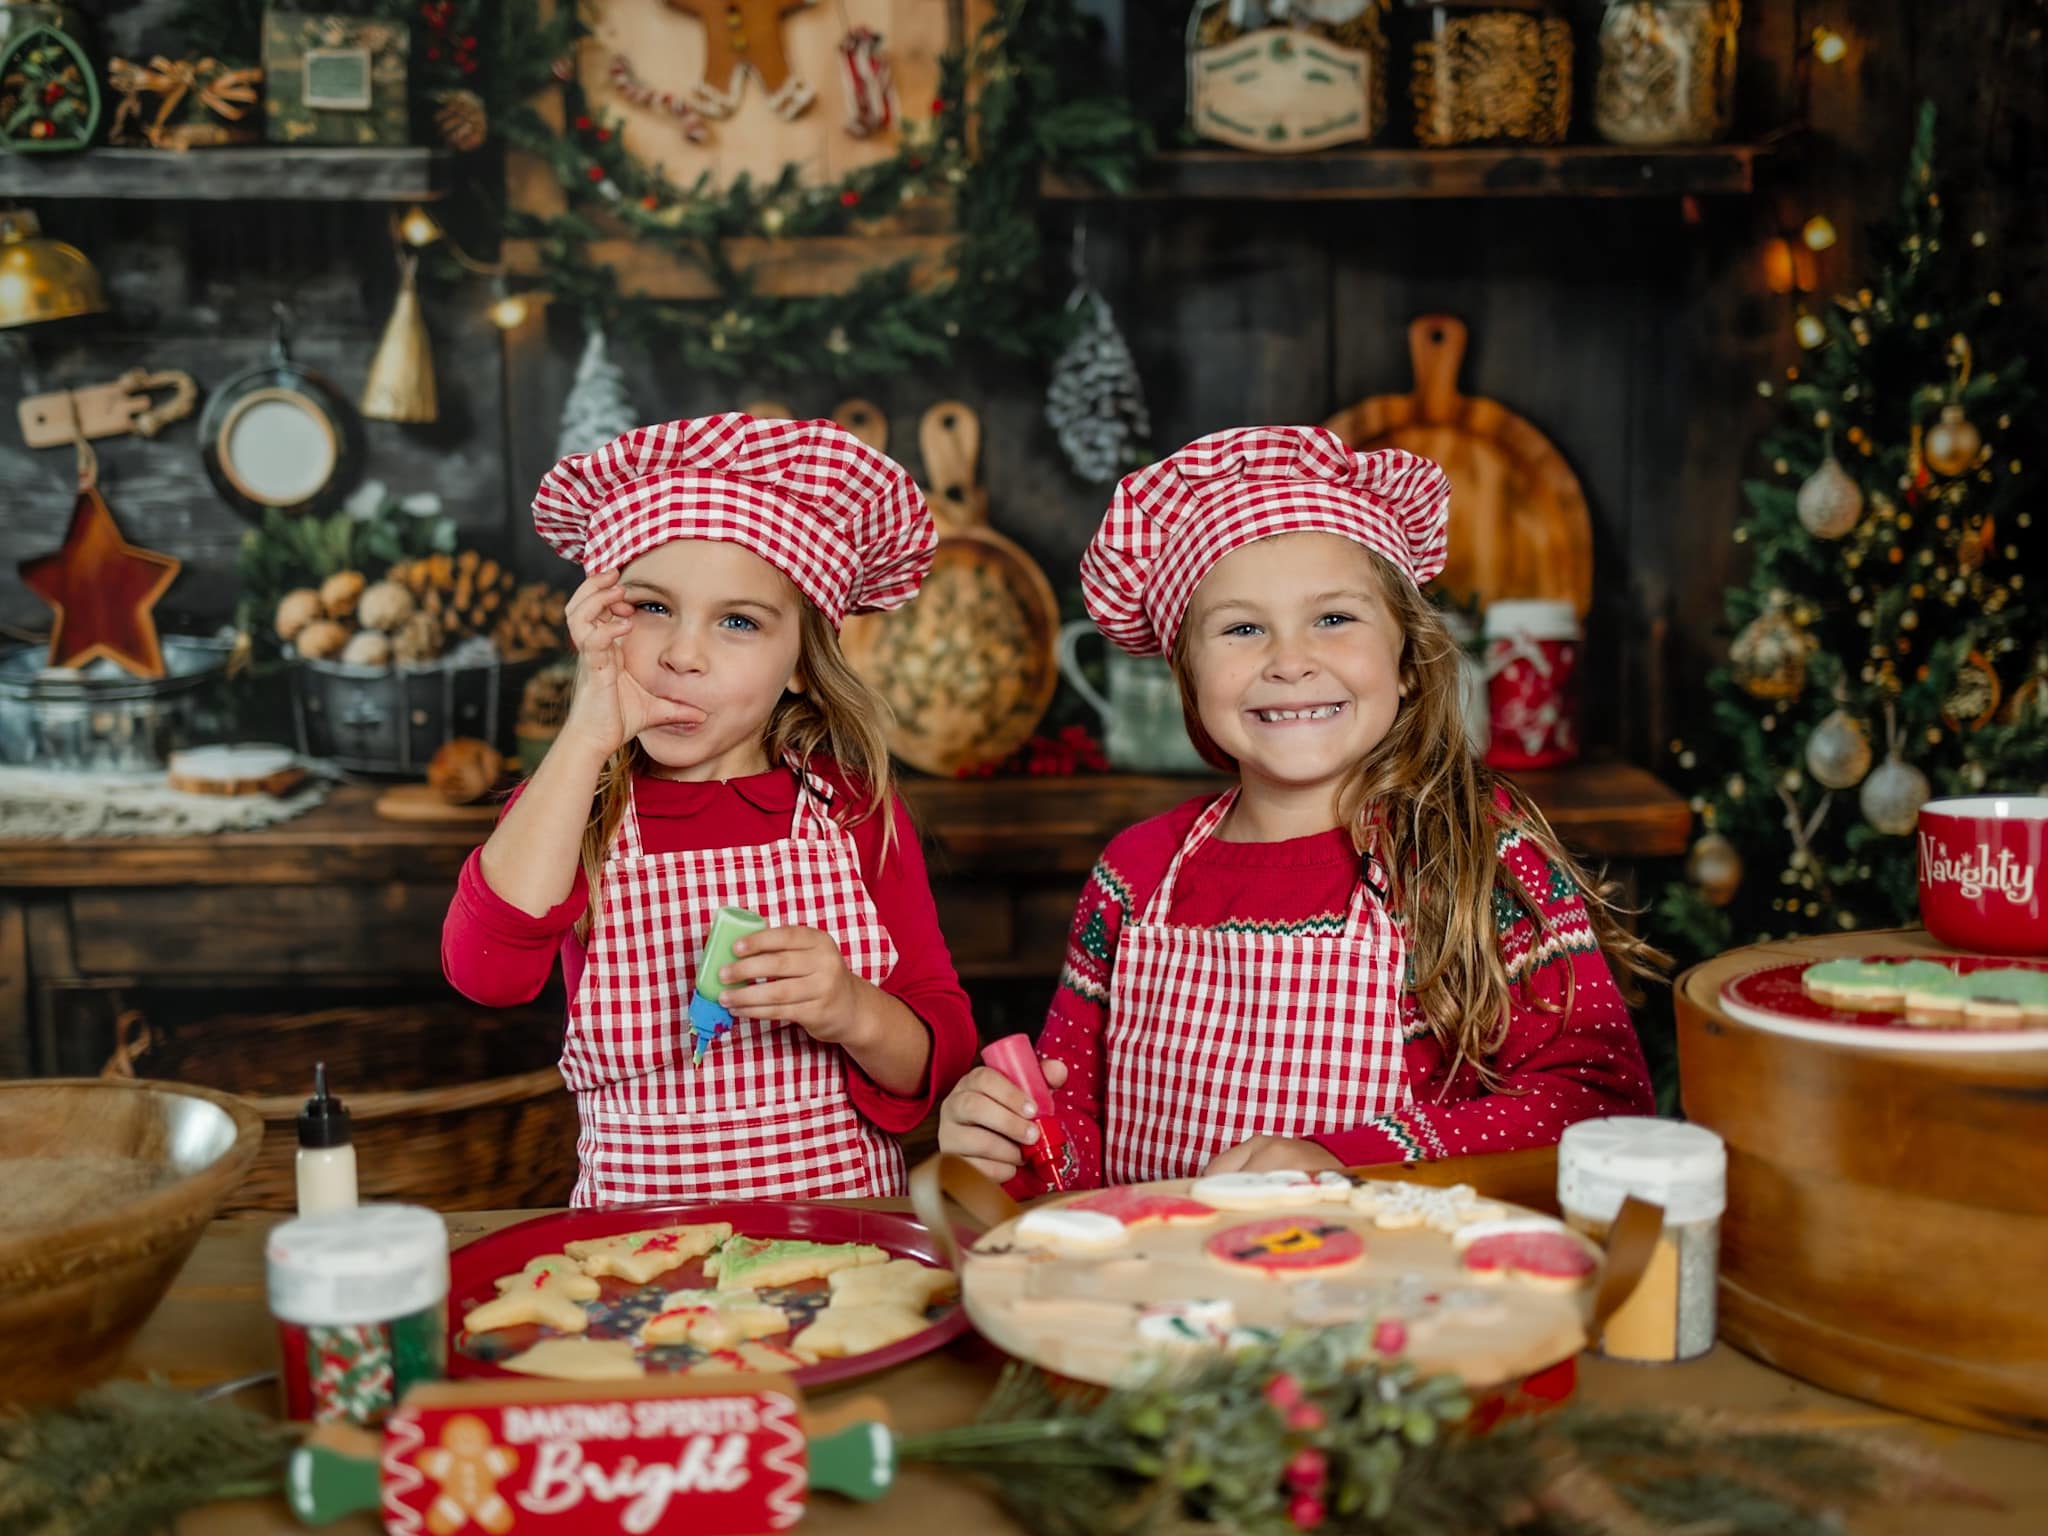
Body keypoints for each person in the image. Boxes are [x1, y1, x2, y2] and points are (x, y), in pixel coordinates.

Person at [938, 425, 1661, 1193]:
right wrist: (1015, 1142)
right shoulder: (1135, 875)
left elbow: (1594, 1104)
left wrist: (1348, 1157)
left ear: (1408, 660)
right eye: (1243, 629)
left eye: (1334, 619)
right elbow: (1077, 1136)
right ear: (1190, 680)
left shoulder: (1478, 848)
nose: (1289, 661)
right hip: (1155, 1297)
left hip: (1395, 1299)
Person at [444, 414, 975, 1204]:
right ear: (602, 620)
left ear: (801, 661)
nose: (681, 654)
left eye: (737, 621)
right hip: (636, 1253)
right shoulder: (570, 806)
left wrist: (850, 1009)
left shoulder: (852, 811)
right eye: (651, 607)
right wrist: (587, 735)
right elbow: (486, 974)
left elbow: (941, 1056)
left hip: (841, 1242)